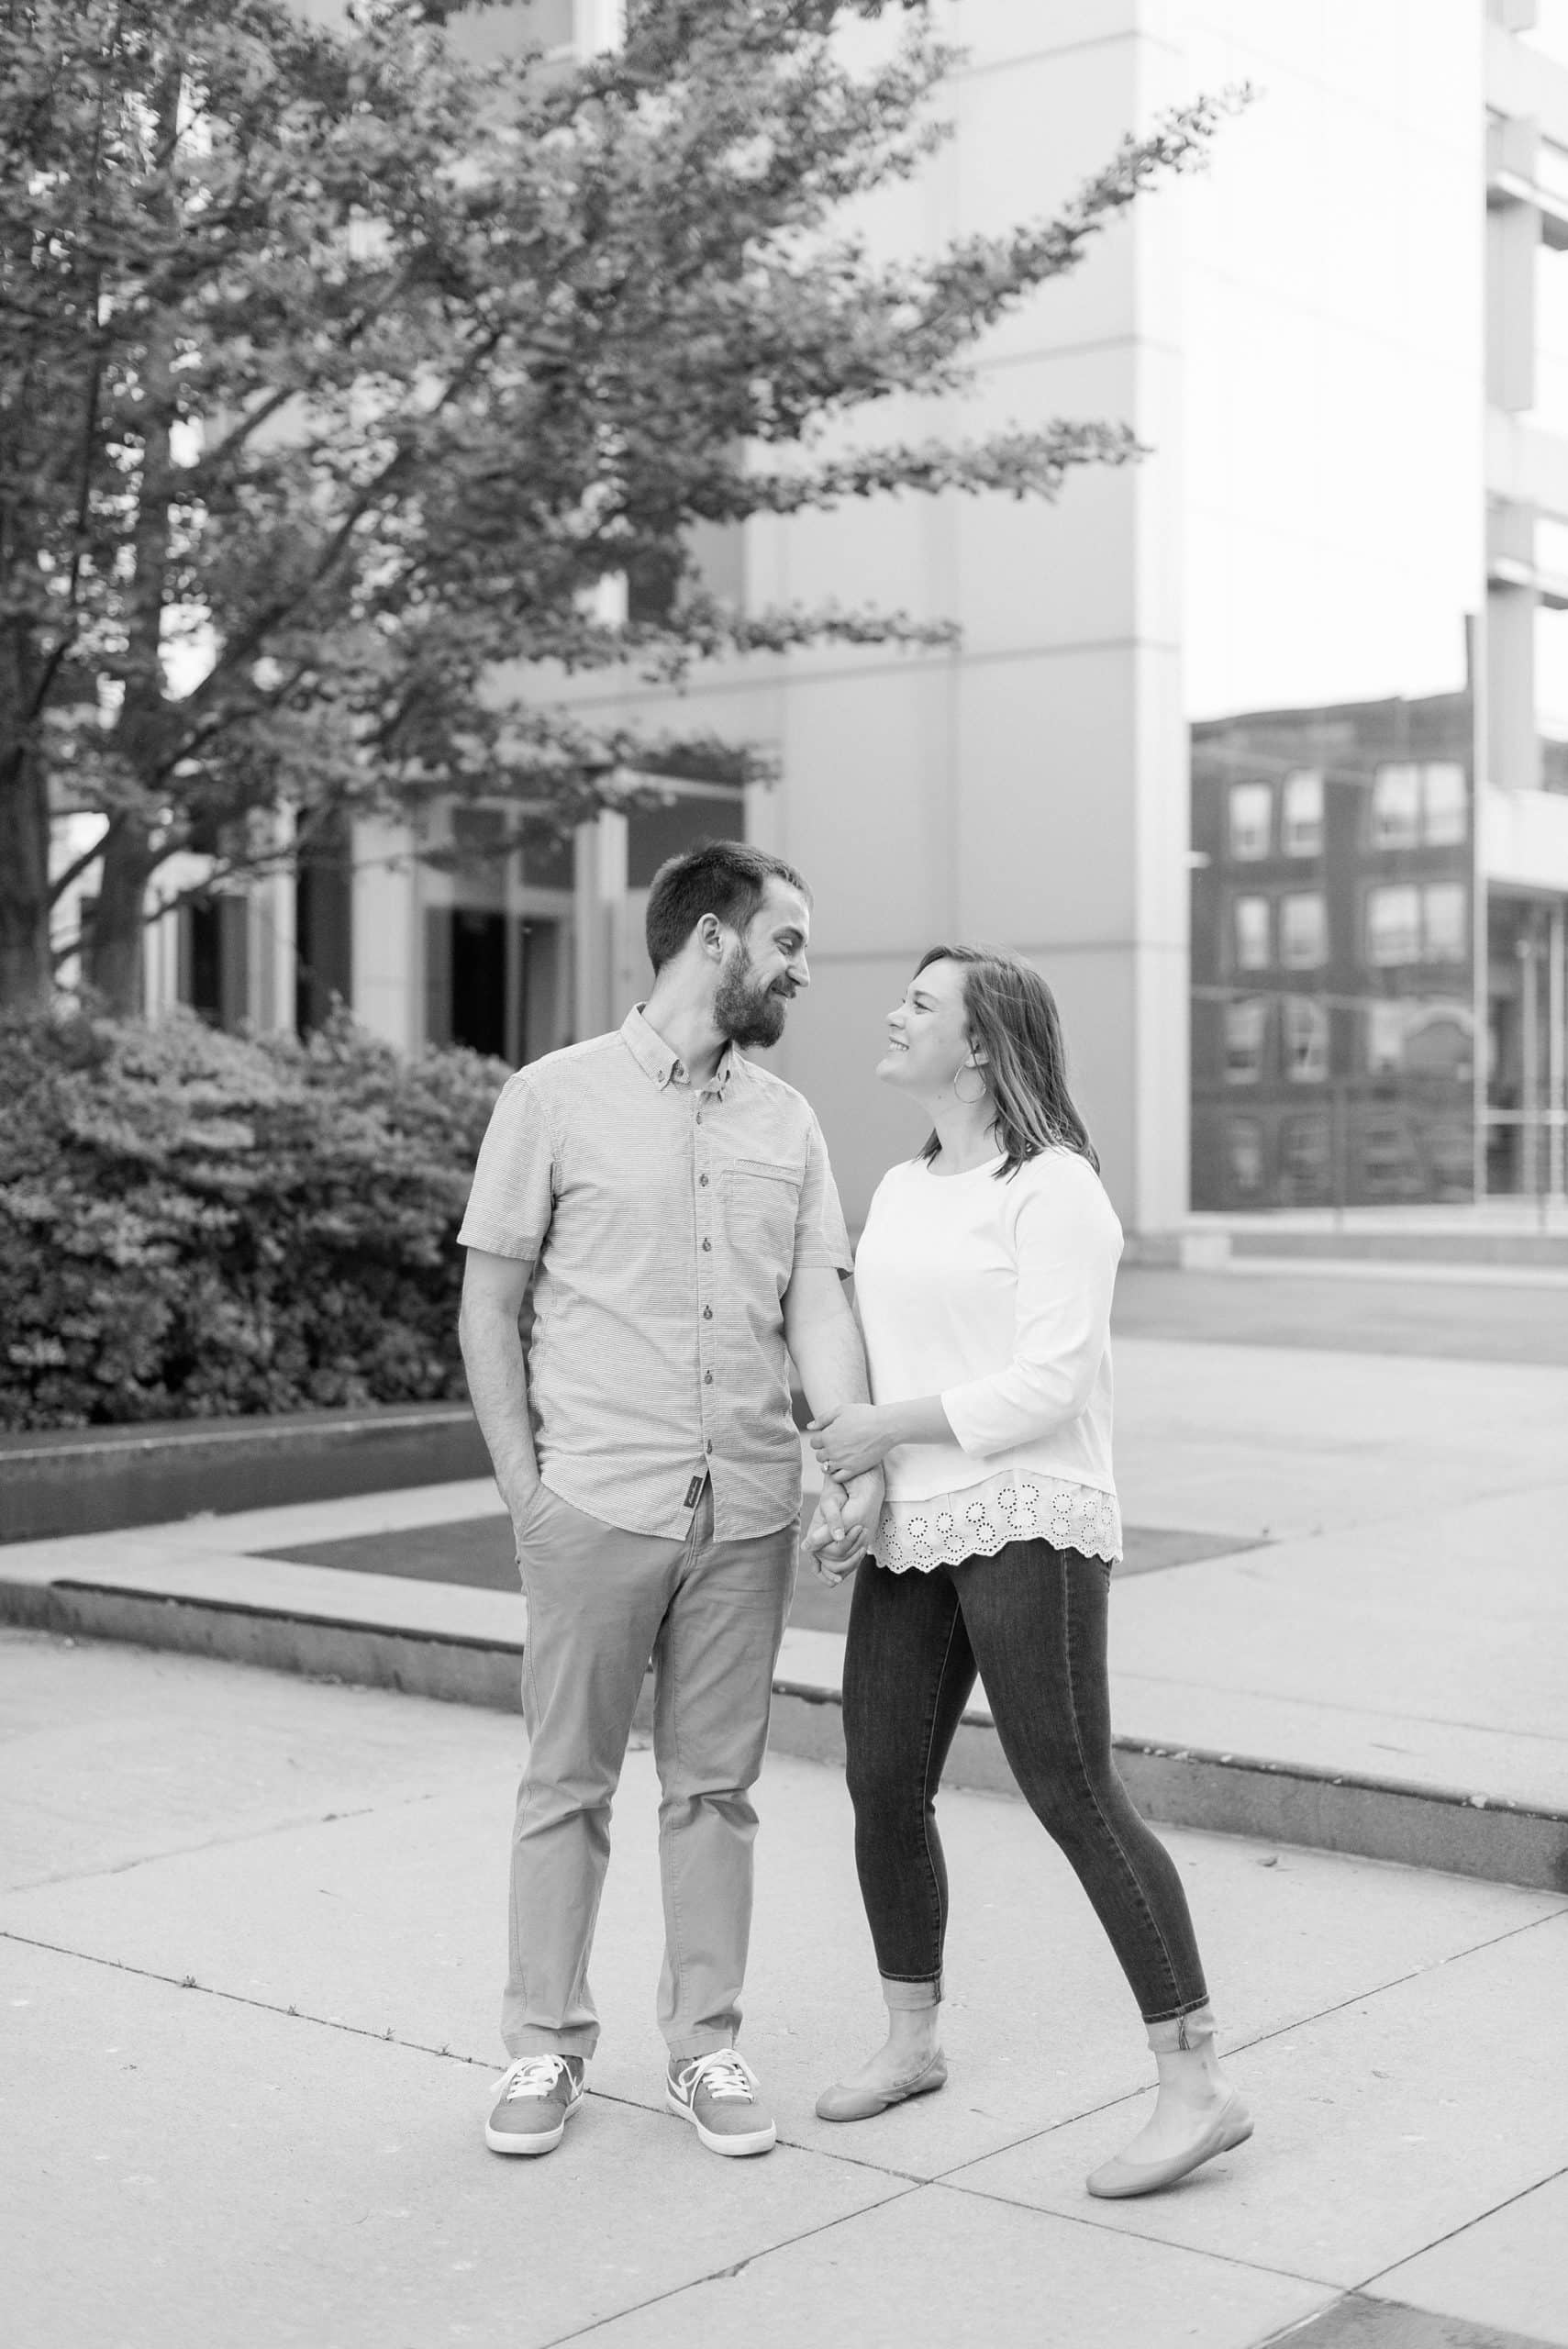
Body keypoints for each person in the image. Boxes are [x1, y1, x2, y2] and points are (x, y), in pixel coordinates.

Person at [806, 945, 1251, 2199]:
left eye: (921, 1006)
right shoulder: (897, 1187)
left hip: (1028, 1515)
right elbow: (893, 1366)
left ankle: (1194, 2083)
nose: (893, 1015)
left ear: (985, 1045)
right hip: (914, 1525)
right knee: (882, 1781)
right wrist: (864, 1486)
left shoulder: (1054, 1190)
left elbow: (1048, 1382)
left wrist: (882, 1436)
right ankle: (909, 2041)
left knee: (1068, 1788)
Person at [459, 841, 881, 2162]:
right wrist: (528, 1491)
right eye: (789, 943)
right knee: (564, 1783)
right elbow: (489, 1302)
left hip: (744, 1509)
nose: (803, 971)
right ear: (713, 938)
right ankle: (543, 2047)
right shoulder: (552, 1098)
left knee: (716, 1790)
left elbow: (816, 1302)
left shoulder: (788, 1125)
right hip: (594, 1502)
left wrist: (843, 1452)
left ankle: (704, 2046)